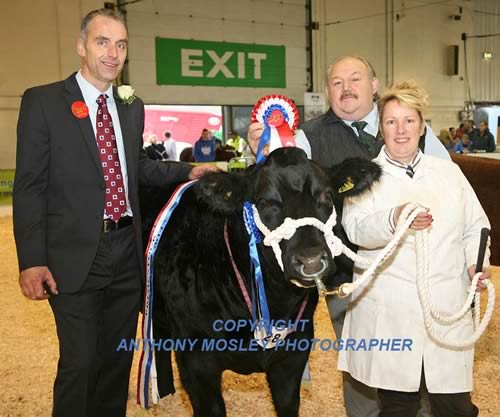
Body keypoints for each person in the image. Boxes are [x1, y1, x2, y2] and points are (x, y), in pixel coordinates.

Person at [13, 9, 215, 417]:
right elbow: (30, 186)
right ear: (81, 46)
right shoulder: (44, 101)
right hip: (73, 257)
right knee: (80, 363)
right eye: (102, 42)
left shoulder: (130, 106)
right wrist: (32, 261)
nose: (112, 53)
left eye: (120, 44)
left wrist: (187, 170)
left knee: (115, 363)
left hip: (125, 252)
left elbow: (135, 166)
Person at [247, 55, 450, 417]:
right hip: (348, 274)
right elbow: (279, 181)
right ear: (327, 91)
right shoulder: (308, 136)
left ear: (374, 85)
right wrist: (262, 152)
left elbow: (445, 182)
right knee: (360, 361)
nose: (346, 88)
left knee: (419, 356)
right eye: (337, 82)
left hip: (416, 265)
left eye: (355, 79)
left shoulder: (409, 124)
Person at [340, 81, 490, 417]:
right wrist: (394, 218)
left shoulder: (449, 173)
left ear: (422, 126)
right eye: (392, 121)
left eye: (409, 120)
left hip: (446, 306)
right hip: (392, 313)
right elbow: (355, 228)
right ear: (381, 128)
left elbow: (475, 227)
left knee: (455, 405)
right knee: (398, 405)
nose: (401, 130)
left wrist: (475, 264)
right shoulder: (365, 177)